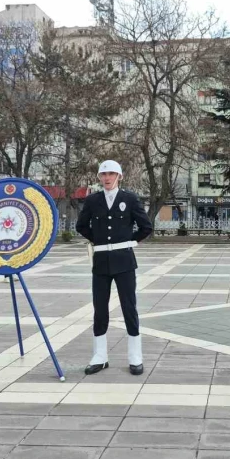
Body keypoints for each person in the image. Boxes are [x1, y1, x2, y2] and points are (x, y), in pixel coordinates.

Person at [76, 160, 153, 375]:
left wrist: (129, 241)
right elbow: (81, 226)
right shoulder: (93, 200)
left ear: (119, 176)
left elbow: (146, 226)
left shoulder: (130, 199)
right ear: (99, 177)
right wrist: (99, 240)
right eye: (103, 174)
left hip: (124, 261)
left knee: (129, 307)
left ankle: (135, 356)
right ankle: (100, 356)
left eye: (111, 174)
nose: (107, 178)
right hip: (101, 261)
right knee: (100, 308)